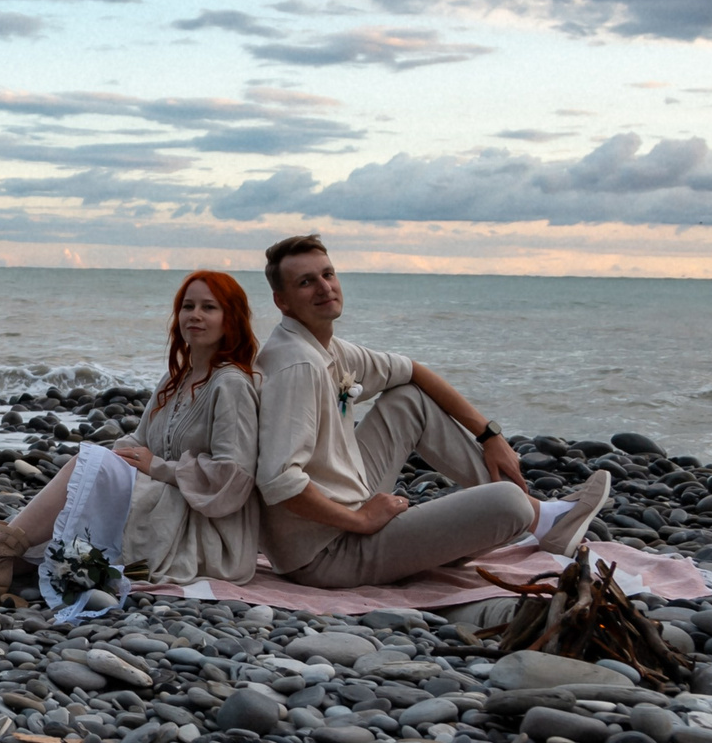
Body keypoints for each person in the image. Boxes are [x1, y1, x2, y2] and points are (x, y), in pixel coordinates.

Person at [0, 270, 262, 599]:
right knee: (67, 511)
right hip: (162, 502)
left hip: (206, 533)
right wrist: (114, 463)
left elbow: (235, 475)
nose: (195, 315)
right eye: (188, 306)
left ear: (232, 318)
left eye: (209, 307)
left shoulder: (232, 385)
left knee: (79, 478)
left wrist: (160, 469)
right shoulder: (175, 380)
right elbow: (139, 441)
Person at [254, 233, 610, 589]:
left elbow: (413, 371)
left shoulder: (324, 347)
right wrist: (362, 520)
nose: (323, 287)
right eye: (306, 282)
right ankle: (535, 517)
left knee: (408, 399)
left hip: (346, 501)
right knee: (508, 504)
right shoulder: (297, 366)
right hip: (326, 553)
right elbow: (279, 483)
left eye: (327, 274)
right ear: (282, 302)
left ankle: (541, 518)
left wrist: (489, 435)